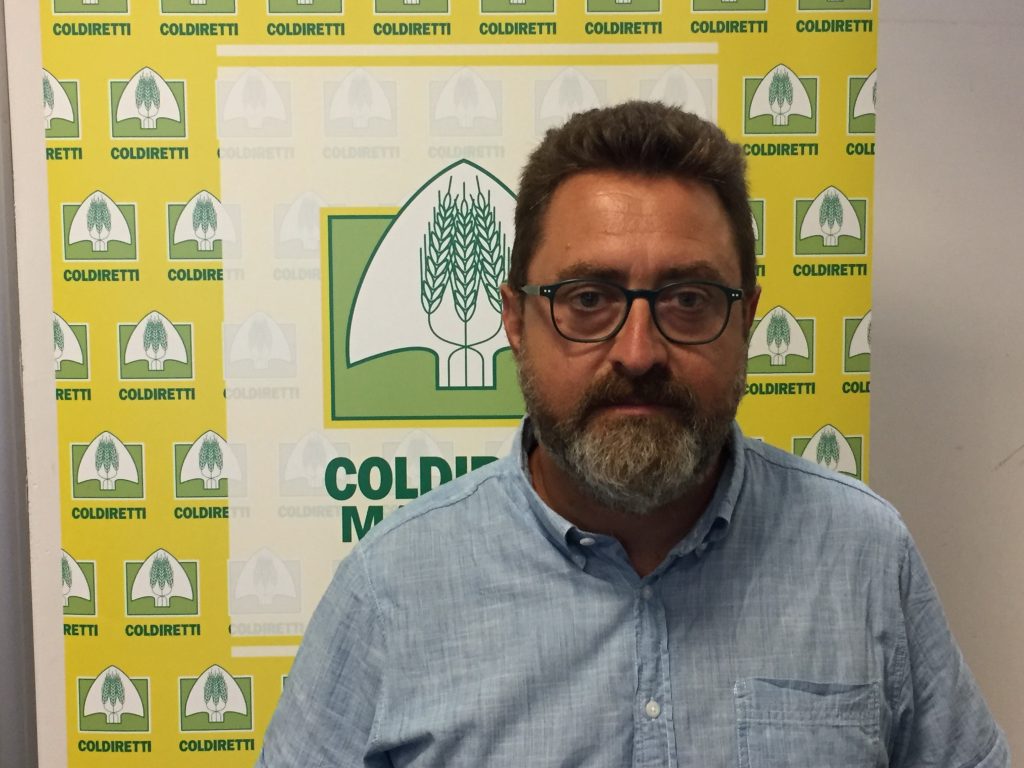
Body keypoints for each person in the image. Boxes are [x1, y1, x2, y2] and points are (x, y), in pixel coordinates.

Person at [256, 101, 1008, 767]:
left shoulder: (864, 556)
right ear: (515, 321)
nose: (639, 352)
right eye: (588, 299)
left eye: (688, 299)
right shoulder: (392, 588)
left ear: (747, 319)